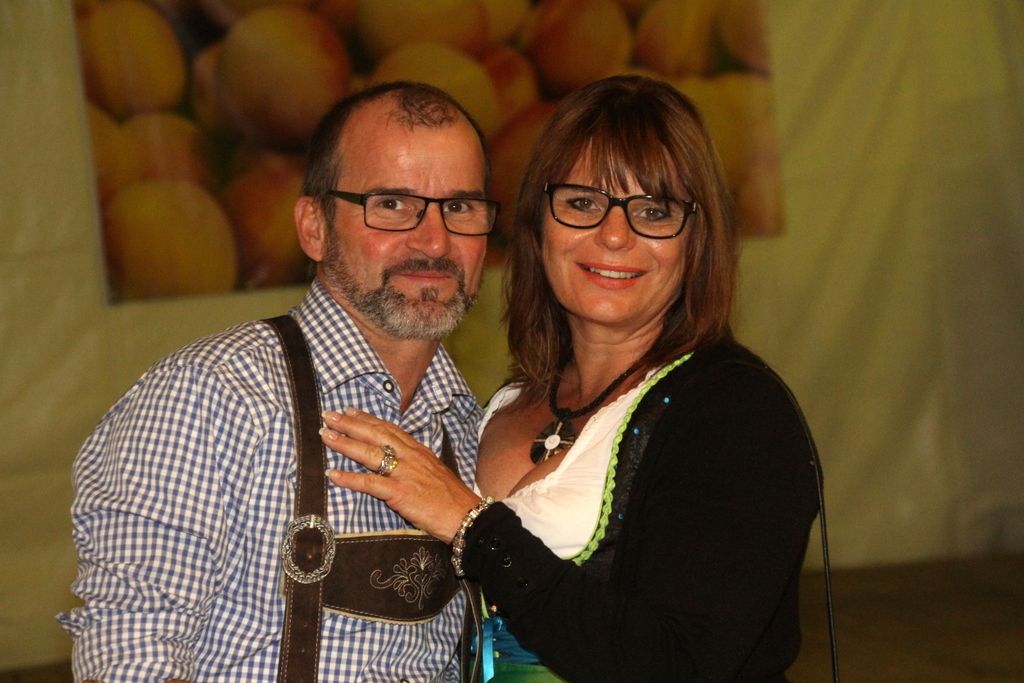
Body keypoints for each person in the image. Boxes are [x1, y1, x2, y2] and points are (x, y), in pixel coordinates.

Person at [319, 75, 820, 682]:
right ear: (538, 225)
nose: (614, 235)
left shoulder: (735, 413)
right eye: (582, 203)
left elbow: (680, 664)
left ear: (697, 241)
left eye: (654, 211)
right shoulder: (500, 406)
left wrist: (473, 527)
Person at [58, 81, 499, 681]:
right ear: (313, 227)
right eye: (393, 204)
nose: (435, 240)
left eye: (461, 207)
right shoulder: (211, 396)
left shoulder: (471, 428)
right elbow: (132, 655)